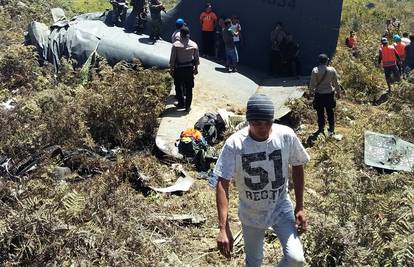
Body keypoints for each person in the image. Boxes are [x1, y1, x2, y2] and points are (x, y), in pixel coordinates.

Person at [215, 93, 310, 267]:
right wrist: (223, 228)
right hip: (251, 213)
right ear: (249, 121)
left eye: (268, 122)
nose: (263, 128)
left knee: (296, 259)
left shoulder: (286, 136)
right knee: (254, 261)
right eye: (257, 123)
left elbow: (298, 165)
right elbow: (222, 183)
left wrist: (300, 206)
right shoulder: (235, 145)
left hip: (281, 208)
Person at [169, 26, 200, 112]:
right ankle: (187, 106)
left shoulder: (176, 45)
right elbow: (196, 58)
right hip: (189, 69)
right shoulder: (194, 45)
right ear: (188, 34)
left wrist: (171, 69)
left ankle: (181, 104)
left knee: (178, 87)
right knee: (189, 88)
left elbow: (172, 59)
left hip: (179, 69)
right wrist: (196, 68)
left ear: (181, 34)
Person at [309, 54, 340, 136]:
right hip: (329, 94)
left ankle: (321, 128)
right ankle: (331, 129)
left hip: (319, 94)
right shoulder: (332, 70)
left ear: (319, 61)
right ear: (327, 61)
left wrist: (310, 92)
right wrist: (338, 92)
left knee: (320, 112)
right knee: (330, 112)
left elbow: (312, 84)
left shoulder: (315, 70)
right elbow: (336, 83)